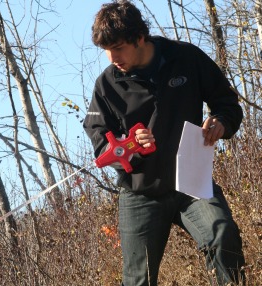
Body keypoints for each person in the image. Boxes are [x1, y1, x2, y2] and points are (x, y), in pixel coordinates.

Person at [83, 1, 246, 285]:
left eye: (118, 47)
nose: (112, 57)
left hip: (191, 184)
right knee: (138, 280)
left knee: (223, 234)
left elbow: (227, 102)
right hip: (140, 192)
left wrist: (221, 122)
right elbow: (100, 139)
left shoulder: (186, 58)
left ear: (139, 37)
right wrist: (128, 145)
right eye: (106, 50)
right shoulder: (106, 85)